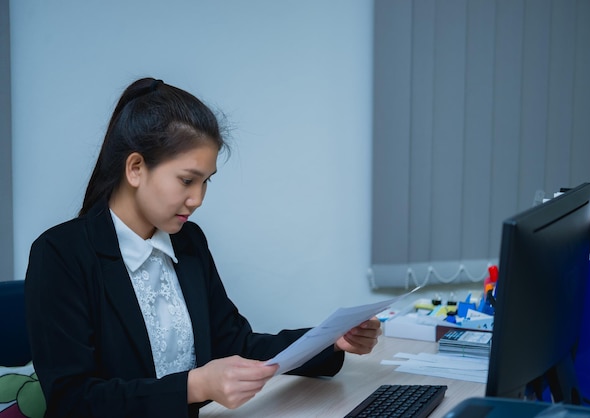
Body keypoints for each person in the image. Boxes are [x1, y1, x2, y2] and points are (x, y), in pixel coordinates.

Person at [24, 77, 382, 418]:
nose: (197, 199)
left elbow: (235, 343)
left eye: (205, 182)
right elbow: (73, 400)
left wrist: (330, 341)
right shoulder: (60, 254)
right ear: (135, 168)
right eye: (186, 180)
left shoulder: (189, 241)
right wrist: (192, 387)